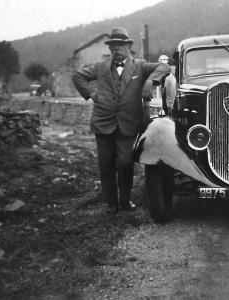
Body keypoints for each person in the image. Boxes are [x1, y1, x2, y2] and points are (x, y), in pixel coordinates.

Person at [72, 26, 171, 214]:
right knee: (106, 165)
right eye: (112, 47)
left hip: (128, 124)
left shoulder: (140, 66)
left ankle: (125, 201)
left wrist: (150, 80)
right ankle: (111, 203)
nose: (116, 50)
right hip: (103, 122)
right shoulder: (100, 67)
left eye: (119, 46)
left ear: (128, 47)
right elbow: (78, 76)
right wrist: (91, 94)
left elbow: (165, 67)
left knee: (125, 163)